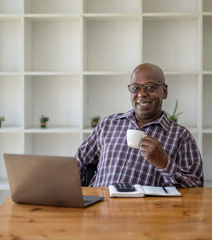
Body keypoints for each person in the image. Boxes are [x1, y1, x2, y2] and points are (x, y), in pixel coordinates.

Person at [75, 63, 203, 187]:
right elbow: (78, 162)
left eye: (150, 87)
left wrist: (165, 163)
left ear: (164, 91)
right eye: (135, 88)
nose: (141, 94)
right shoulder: (109, 124)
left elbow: (196, 187)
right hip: (101, 205)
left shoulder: (180, 136)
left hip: (147, 208)